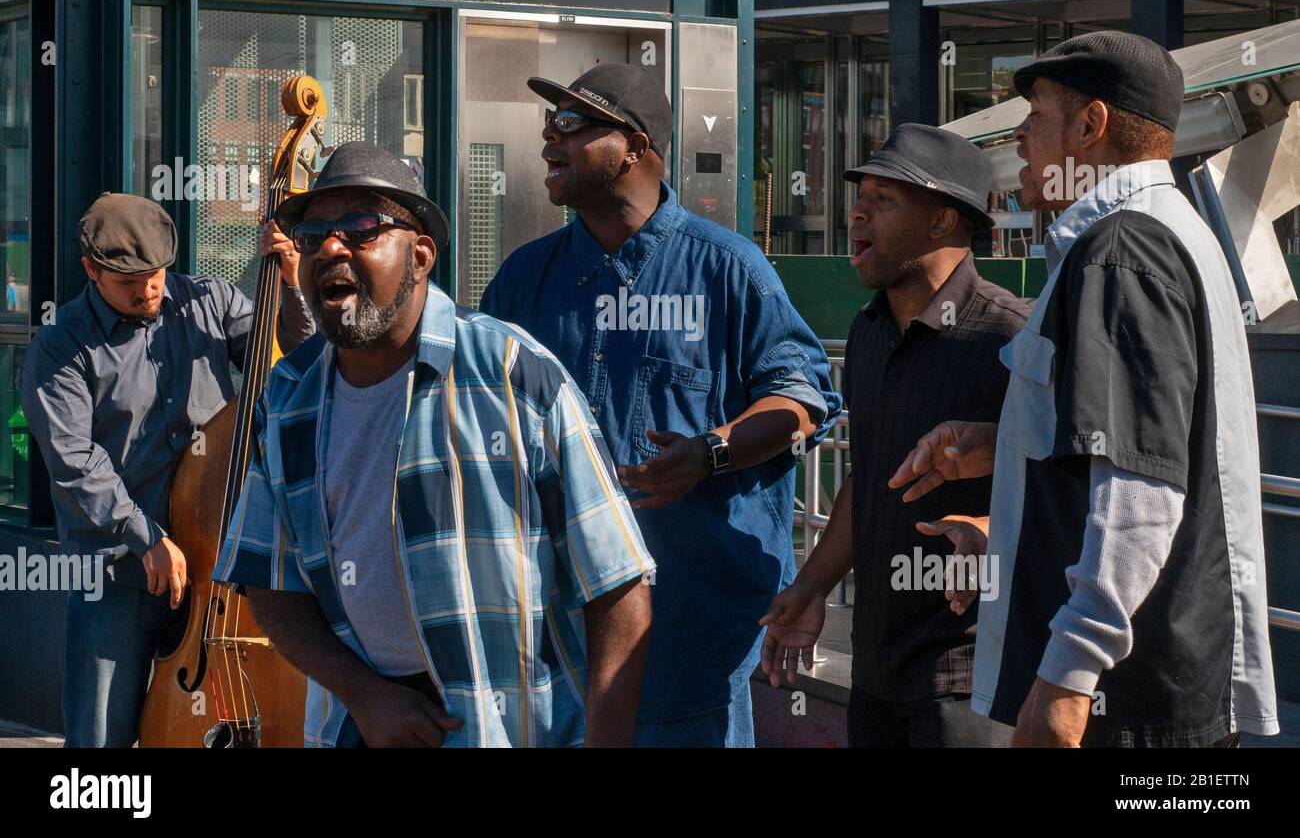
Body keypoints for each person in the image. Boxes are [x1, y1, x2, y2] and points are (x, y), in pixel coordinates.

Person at [891, 31, 1279, 747]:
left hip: (1124, 704)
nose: (1019, 134)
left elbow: (1143, 486)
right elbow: (1150, 436)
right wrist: (998, 444)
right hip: (1160, 693)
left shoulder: (1121, 249)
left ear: (1091, 125)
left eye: (1035, 113)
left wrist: (1068, 674)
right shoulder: (1173, 232)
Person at [213, 142, 655, 748]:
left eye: (362, 228)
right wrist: (362, 694)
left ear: (421, 255)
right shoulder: (289, 398)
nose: (332, 249)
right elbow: (268, 579)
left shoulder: (514, 374)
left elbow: (617, 584)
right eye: (313, 236)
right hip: (360, 729)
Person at [480, 64, 841, 747]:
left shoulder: (728, 269)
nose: (548, 141)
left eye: (570, 124)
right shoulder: (523, 280)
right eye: (546, 125)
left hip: (690, 653)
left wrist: (711, 453)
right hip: (554, 650)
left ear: (637, 145)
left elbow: (804, 399)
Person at [760, 124, 1027, 747]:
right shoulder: (868, 332)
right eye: (861, 197)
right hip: (876, 677)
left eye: (884, 199)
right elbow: (869, 478)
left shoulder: (1014, 339)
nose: (857, 212)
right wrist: (809, 587)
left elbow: (1075, 488)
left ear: (941, 222)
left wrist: (991, 530)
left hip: (969, 683)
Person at [21, 192, 314, 747]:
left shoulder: (210, 301)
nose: (148, 289)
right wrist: (145, 535)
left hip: (222, 569)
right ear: (91, 270)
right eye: (129, 282)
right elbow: (76, 462)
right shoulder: (59, 348)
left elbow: (297, 366)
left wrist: (292, 285)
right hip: (122, 568)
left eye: (156, 274)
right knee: (98, 742)